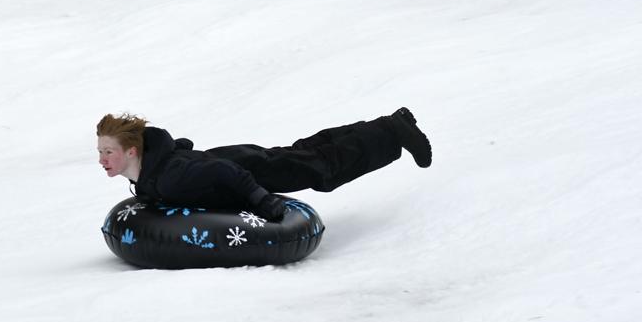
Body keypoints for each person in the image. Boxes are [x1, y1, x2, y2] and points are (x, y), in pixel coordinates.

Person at [96, 108, 432, 221]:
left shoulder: (168, 176)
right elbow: (182, 149)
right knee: (306, 152)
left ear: (132, 152)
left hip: (248, 169)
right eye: (100, 152)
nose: (102, 160)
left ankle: (392, 132)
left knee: (323, 169)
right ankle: (387, 125)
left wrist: (261, 198)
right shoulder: (152, 171)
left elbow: (223, 172)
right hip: (237, 156)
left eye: (109, 152)